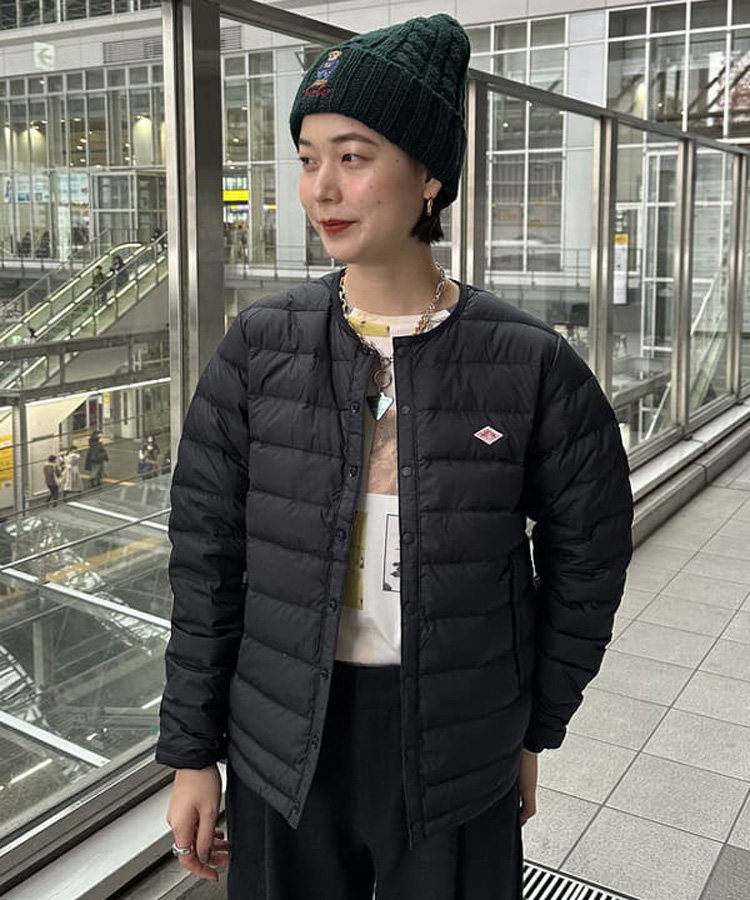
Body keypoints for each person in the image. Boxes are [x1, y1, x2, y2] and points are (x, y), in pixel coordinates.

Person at [156, 14, 633, 900]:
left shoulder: (529, 364)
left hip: (457, 742)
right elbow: (206, 559)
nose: (323, 188)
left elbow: (589, 558)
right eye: (308, 158)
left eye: (354, 155)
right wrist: (192, 752)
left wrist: (530, 728)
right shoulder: (260, 347)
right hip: (279, 740)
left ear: (429, 177)